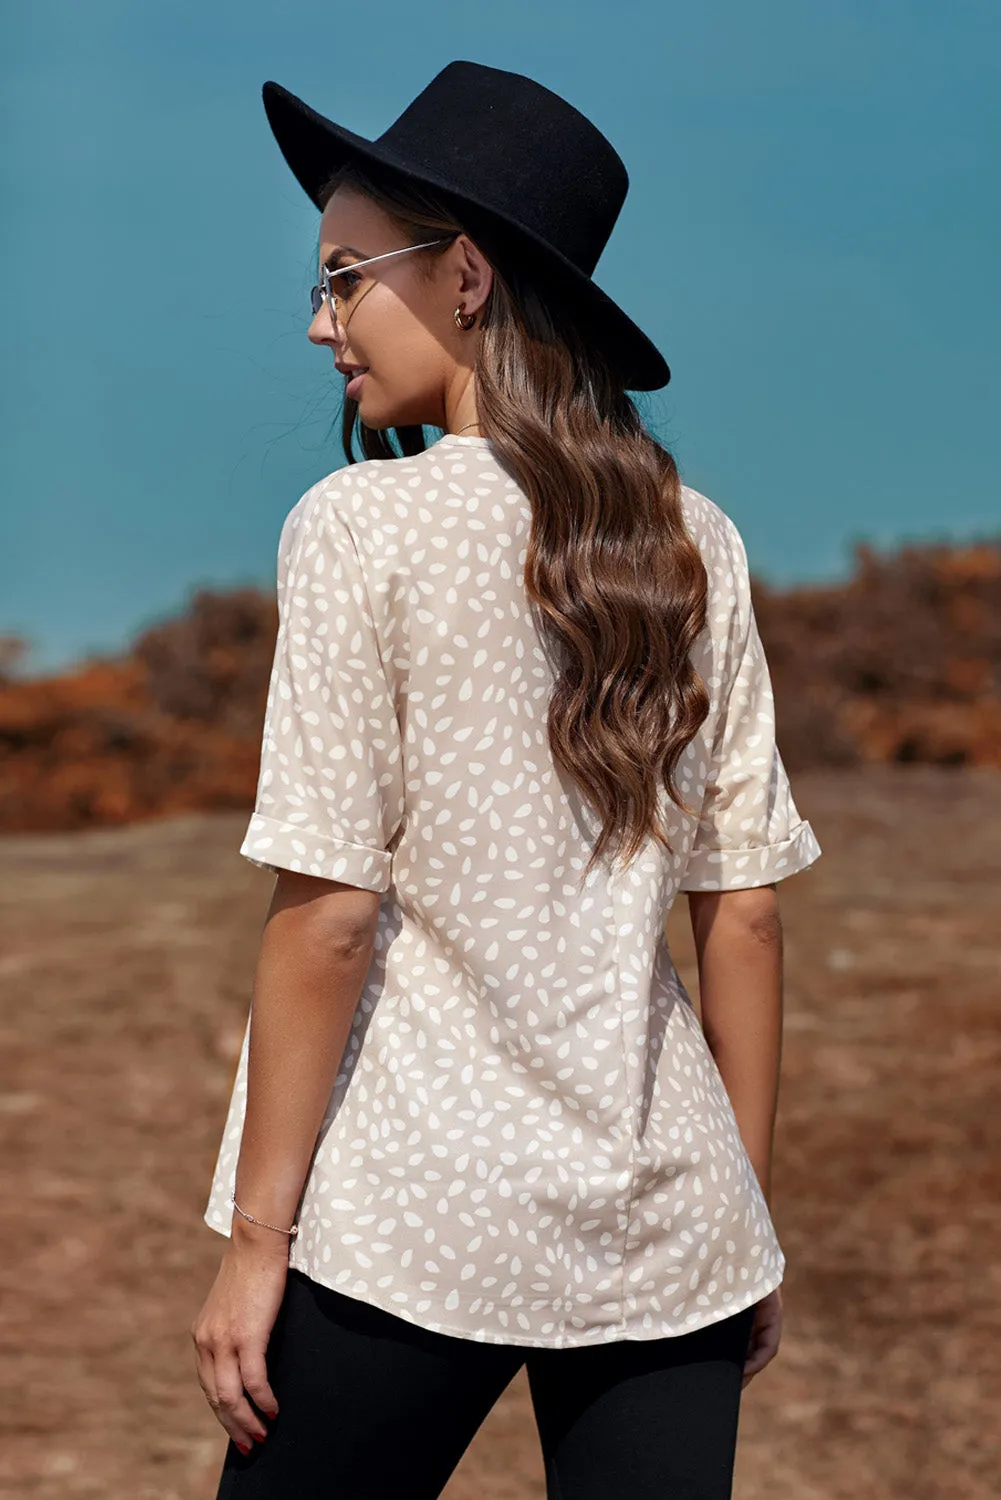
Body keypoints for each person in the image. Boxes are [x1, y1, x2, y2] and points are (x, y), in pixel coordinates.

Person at [191, 60, 822, 1499]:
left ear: (466, 275)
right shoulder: (697, 542)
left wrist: (251, 1245)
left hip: (410, 1218)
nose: (319, 321)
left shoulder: (362, 527)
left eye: (346, 278)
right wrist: (741, 1225)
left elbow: (330, 914)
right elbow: (747, 916)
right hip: (667, 1230)